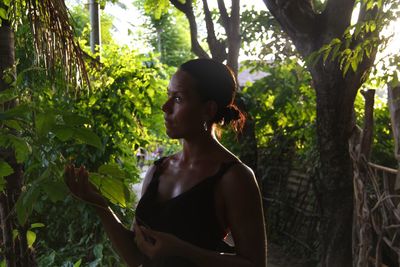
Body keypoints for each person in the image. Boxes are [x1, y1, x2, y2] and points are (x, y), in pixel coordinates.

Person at [65, 58, 267, 267]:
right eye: (168, 96)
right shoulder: (158, 170)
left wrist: (183, 251)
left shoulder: (234, 177)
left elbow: (255, 263)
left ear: (208, 109)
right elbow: (136, 258)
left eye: (178, 99)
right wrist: (98, 202)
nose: (165, 107)